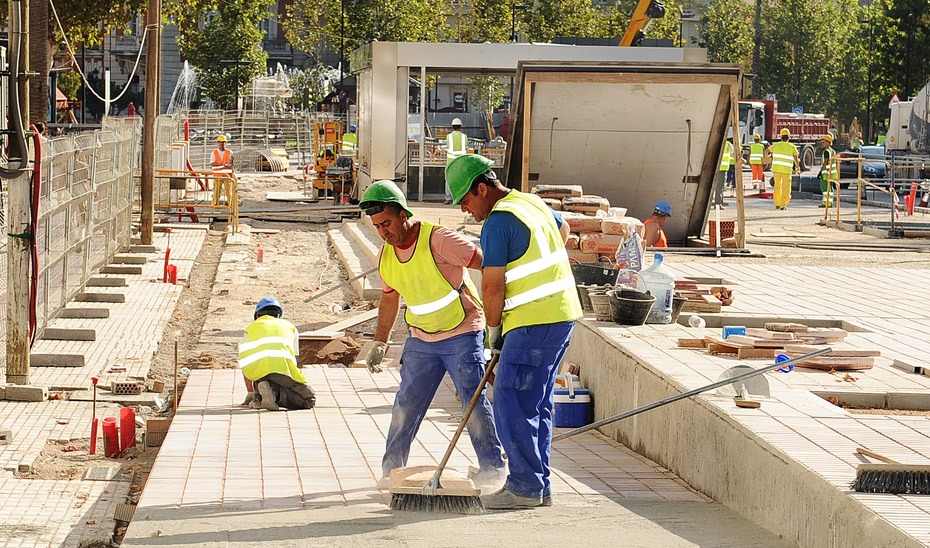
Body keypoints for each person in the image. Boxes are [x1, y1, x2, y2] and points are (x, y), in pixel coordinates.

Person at [446, 154, 582, 510]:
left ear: (482, 188)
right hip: (562, 314)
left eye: (465, 200)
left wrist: (493, 335)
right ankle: (539, 485)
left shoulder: (497, 223)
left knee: (510, 398)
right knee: (536, 401)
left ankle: (524, 485)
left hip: (532, 321)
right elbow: (563, 229)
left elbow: (492, 288)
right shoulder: (529, 203)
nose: (466, 210)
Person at [358, 180, 505, 489]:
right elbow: (389, 298)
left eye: (386, 223)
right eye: (377, 226)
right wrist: (379, 341)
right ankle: (392, 471)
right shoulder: (385, 256)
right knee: (406, 403)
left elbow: (487, 264)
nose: (383, 232)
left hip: (462, 333)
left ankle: (493, 468)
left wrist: (499, 316)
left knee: (473, 400)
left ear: (403, 214)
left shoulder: (439, 240)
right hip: (422, 339)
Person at [238, 297, 316, 411]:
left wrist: (250, 392)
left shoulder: (250, 329)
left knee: (265, 379)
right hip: (283, 370)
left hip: (259, 375)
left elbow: (244, 361)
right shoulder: (290, 327)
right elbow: (294, 359)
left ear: (257, 316)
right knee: (309, 401)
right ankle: (275, 395)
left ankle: (259, 396)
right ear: (279, 315)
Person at [767, 128, 800, 210]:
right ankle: (783, 205)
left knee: (777, 187)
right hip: (786, 170)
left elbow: (766, 151)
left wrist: (767, 158)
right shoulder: (792, 147)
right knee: (786, 188)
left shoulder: (775, 145)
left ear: (781, 137)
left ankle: (777, 204)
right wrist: (797, 167)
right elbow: (796, 158)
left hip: (776, 170)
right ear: (789, 137)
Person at [444, 118, 468, 204]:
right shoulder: (464, 137)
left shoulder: (449, 137)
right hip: (461, 162)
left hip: (450, 162)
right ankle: (460, 198)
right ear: (460, 127)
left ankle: (448, 198)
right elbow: (466, 147)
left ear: (452, 127)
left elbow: (448, 147)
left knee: (449, 180)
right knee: (461, 180)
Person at [211, 135, 234, 206]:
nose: (221, 144)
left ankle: (231, 206)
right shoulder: (214, 152)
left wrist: (229, 165)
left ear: (226, 143)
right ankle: (215, 205)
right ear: (218, 143)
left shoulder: (230, 152)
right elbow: (212, 163)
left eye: (223, 142)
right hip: (217, 175)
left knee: (229, 192)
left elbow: (231, 163)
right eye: (220, 142)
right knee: (216, 192)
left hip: (227, 175)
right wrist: (223, 164)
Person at [817, 134, 837, 208]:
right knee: (830, 189)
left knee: (825, 189)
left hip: (826, 174)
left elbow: (825, 162)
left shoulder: (826, 152)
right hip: (832, 174)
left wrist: (820, 172)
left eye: (824, 142)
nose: (822, 144)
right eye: (821, 142)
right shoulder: (833, 151)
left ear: (829, 143)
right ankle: (830, 203)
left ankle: (825, 203)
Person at [713, 137, 734, 208]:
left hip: (715, 168)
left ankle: (718, 203)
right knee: (720, 187)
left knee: (716, 187)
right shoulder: (727, 144)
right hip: (722, 169)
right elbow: (734, 152)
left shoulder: (715, 142)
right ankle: (718, 204)